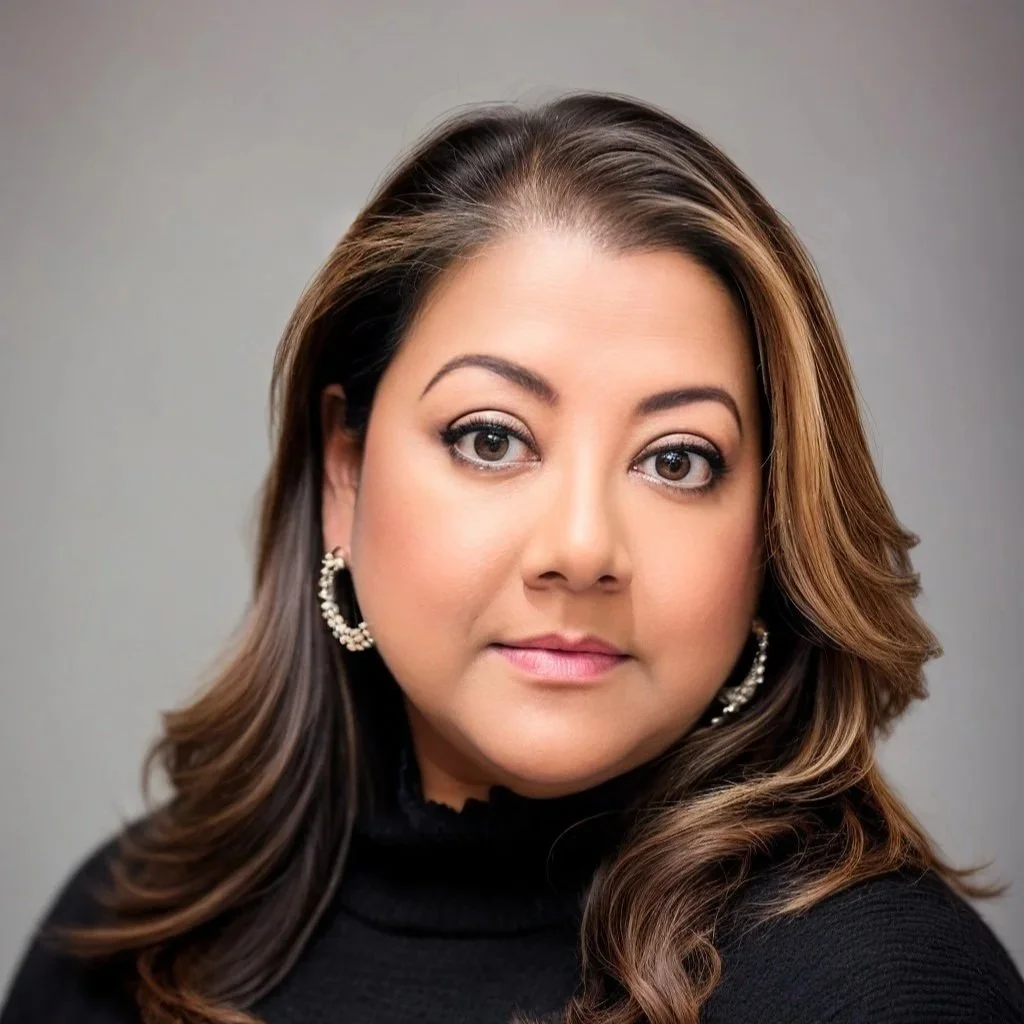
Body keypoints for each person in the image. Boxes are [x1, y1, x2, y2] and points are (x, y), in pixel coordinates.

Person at [2, 90, 1022, 1024]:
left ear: (770, 531)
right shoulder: (122, 938)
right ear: (346, 473)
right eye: (490, 438)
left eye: (676, 459)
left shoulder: (882, 990)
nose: (581, 549)